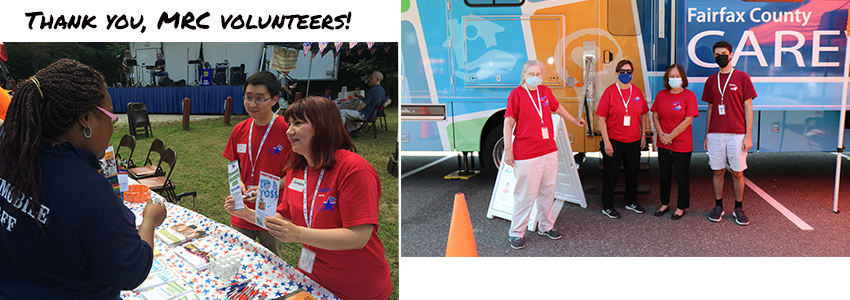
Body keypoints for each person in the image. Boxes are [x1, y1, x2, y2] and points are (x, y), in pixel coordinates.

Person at [0, 58, 167, 299]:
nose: (113, 126)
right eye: (110, 116)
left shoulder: (11, 154)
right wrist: (150, 219)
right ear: (86, 118)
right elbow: (131, 269)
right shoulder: (87, 191)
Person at [225, 96, 392, 300]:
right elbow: (283, 217)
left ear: (323, 126)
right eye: (289, 124)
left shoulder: (354, 170)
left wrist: (298, 234)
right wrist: (246, 213)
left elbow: (359, 237)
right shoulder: (297, 170)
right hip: (311, 278)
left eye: (298, 123)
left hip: (355, 287)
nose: (289, 131)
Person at [503, 60, 586, 250]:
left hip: (548, 150)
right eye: (531, 74)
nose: (535, 77)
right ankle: (516, 233)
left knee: (548, 190)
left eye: (538, 74)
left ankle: (546, 226)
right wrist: (508, 149)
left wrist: (574, 120)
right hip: (526, 153)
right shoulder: (517, 94)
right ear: (524, 75)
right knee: (525, 194)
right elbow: (508, 123)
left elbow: (557, 108)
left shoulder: (545, 91)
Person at [222, 71, 292, 256]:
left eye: (260, 98)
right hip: (242, 208)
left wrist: (267, 189)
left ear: (274, 100)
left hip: (272, 210)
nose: (252, 104)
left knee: (272, 261)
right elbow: (233, 164)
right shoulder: (240, 129)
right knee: (239, 257)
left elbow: (295, 175)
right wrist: (238, 183)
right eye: (248, 97)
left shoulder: (287, 130)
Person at [703, 41, 757, 226]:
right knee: (718, 171)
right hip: (715, 134)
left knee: (737, 172)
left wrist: (748, 135)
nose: (721, 57)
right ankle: (718, 206)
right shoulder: (711, 80)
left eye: (724, 54)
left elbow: (748, 107)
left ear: (731, 54)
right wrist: (707, 135)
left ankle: (738, 208)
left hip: (737, 134)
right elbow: (710, 108)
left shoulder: (742, 77)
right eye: (717, 55)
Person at [596, 59, 650, 219]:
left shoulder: (637, 92)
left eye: (628, 71)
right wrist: (606, 142)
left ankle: (631, 202)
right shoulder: (610, 92)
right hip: (614, 141)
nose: (625, 74)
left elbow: (644, 113)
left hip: (633, 140)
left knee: (632, 173)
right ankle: (607, 206)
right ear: (616, 73)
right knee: (610, 174)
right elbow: (601, 117)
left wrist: (643, 135)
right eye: (622, 71)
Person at [651, 64, 699, 220]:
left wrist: (670, 136)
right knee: (664, 176)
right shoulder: (661, 94)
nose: (675, 79)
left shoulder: (689, 95)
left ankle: (681, 207)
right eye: (672, 76)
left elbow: (688, 120)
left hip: (681, 144)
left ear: (683, 78)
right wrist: (661, 134)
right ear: (667, 78)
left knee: (681, 177)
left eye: (678, 76)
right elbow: (655, 116)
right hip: (663, 143)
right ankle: (664, 203)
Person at [340, 71, 386, 137]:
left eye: (371, 78)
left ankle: (340, 133)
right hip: (372, 114)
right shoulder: (382, 90)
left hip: (365, 114)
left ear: (377, 79)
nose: (369, 80)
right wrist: (388, 102)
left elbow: (362, 106)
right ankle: (353, 131)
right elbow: (383, 105)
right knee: (348, 113)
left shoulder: (372, 91)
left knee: (342, 112)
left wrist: (354, 111)